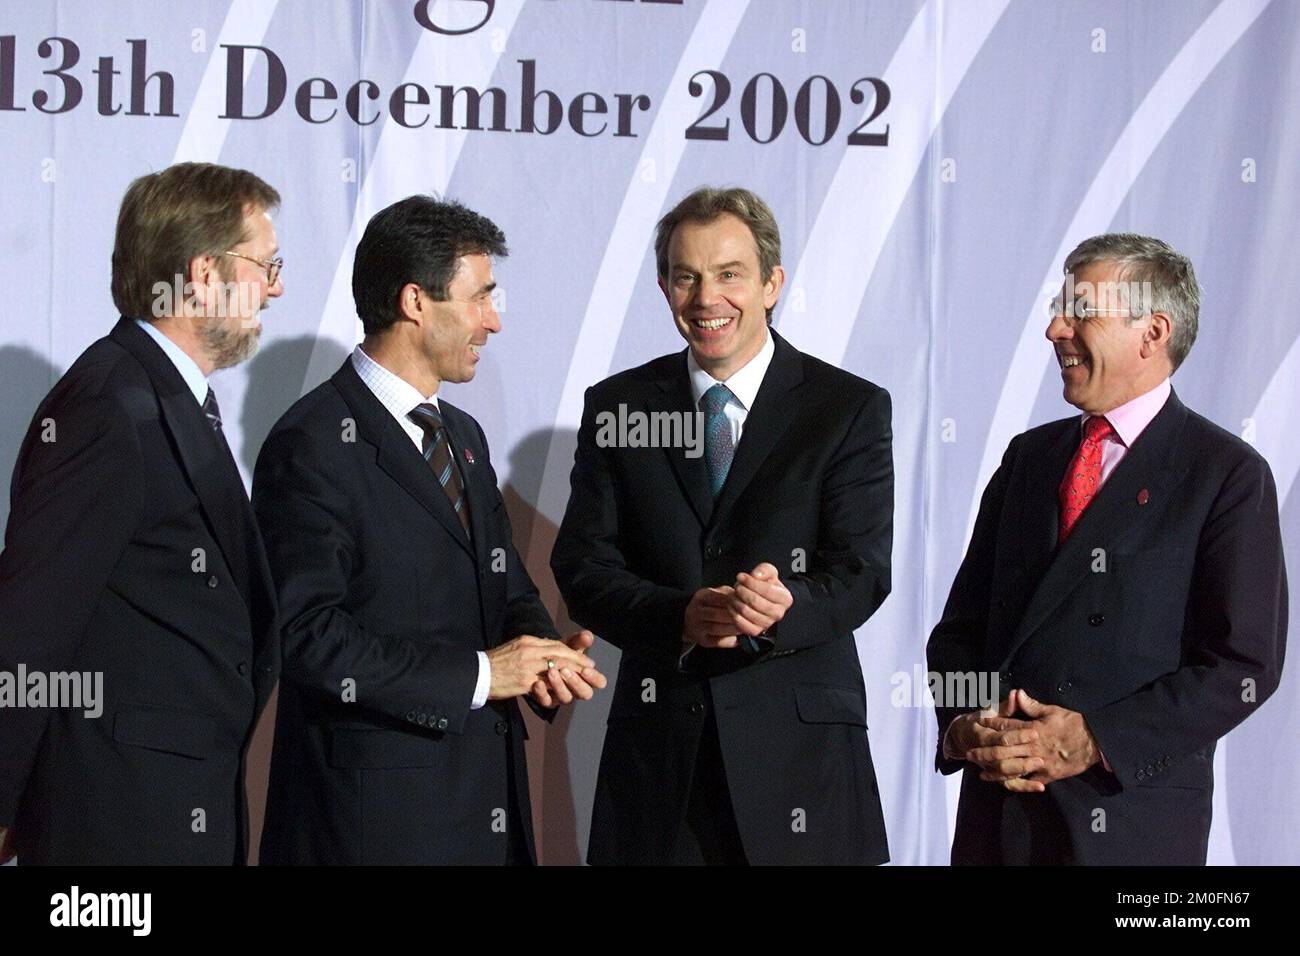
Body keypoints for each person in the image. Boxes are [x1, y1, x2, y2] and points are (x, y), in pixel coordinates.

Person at [253, 195, 604, 865]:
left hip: (483, 814)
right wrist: (481, 674)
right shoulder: (313, 443)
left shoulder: (462, 436)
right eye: (480, 298)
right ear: (416, 302)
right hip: (374, 828)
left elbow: (499, 582)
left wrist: (539, 653)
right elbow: (305, 636)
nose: (494, 321)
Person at [551, 186, 894, 864]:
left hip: (802, 770)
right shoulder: (618, 405)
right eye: (687, 277)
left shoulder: (846, 407)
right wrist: (680, 616)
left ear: (772, 283)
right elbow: (583, 569)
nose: (707, 298)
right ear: (665, 288)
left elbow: (863, 570)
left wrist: (785, 605)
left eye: (730, 275)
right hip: (659, 773)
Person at [927, 233, 1287, 865]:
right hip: (1001, 822)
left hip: (1129, 825)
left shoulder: (1224, 474)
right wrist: (965, 722)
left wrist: (1093, 739)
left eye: (1080, 310)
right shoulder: (1029, 459)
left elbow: (1242, 669)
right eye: (1056, 309)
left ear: (1152, 333)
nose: (1054, 330)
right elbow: (960, 630)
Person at [0, 162, 283, 864]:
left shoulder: (168, 397)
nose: (276, 288)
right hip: (113, 824)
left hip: (172, 806)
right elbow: (27, 627)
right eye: (264, 266)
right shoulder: (107, 405)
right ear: (202, 274)